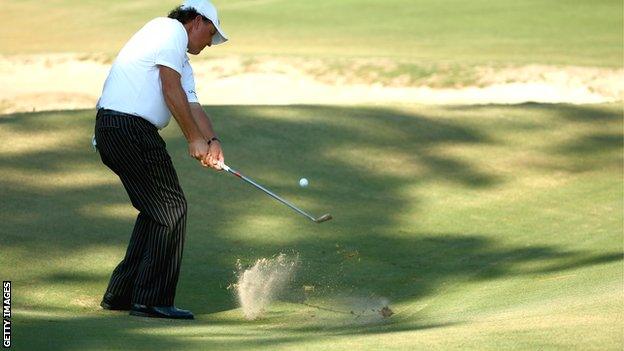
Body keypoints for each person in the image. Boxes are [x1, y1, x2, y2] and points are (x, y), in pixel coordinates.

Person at [93, 0, 227, 320]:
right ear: (196, 21)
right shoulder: (167, 30)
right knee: (172, 208)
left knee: (156, 210)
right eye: (210, 33)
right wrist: (193, 139)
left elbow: (193, 105)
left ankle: (122, 293)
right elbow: (170, 89)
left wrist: (212, 142)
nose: (210, 42)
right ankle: (152, 300)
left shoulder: (180, 58)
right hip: (129, 128)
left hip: (117, 129)